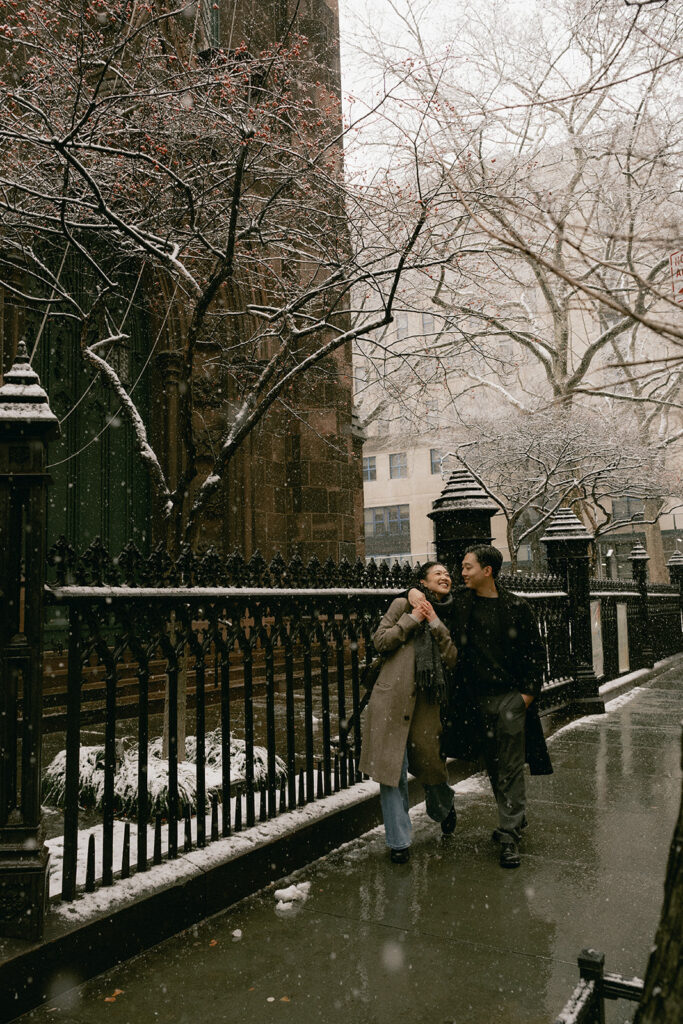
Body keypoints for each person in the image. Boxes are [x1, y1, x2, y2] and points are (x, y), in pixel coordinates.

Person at [409, 544, 552, 869]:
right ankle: (513, 817)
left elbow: (534, 655)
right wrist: (413, 594)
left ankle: (509, 835)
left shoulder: (517, 608)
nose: (461, 572)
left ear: (487, 570)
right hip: (474, 701)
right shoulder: (461, 602)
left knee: (511, 767)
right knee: (495, 765)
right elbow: (429, 598)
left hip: (510, 699)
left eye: (468, 567)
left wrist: (525, 699)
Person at [358, 562, 459, 864]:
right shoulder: (403, 603)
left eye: (447, 573)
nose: (445, 576)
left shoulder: (452, 612)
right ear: (421, 582)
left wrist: (436, 624)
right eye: (437, 573)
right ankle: (399, 841)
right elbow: (380, 640)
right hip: (392, 700)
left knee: (432, 768)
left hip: (429, 704)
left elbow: (453, 658)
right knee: (392, 773)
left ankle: (443, 806)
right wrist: (412, 619)